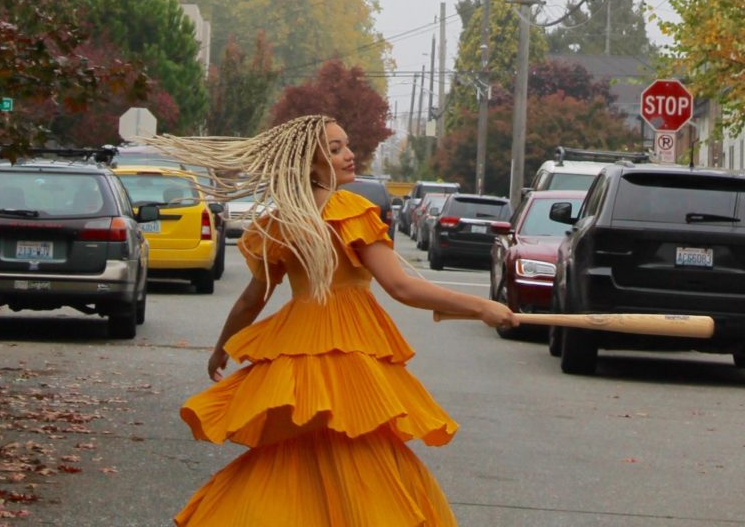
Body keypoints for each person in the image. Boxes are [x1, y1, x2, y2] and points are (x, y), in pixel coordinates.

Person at [146, 115, 517, 526]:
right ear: (309, 163)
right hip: (348, 347)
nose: (350, 155)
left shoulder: (282, 220)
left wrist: (221, 348)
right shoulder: (348, 210)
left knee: (297, 455)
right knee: (358, 454)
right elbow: (401, 287)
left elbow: (254, 299)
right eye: (336, 148)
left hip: (298, 347)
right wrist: (479, 306)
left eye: (347, 145)